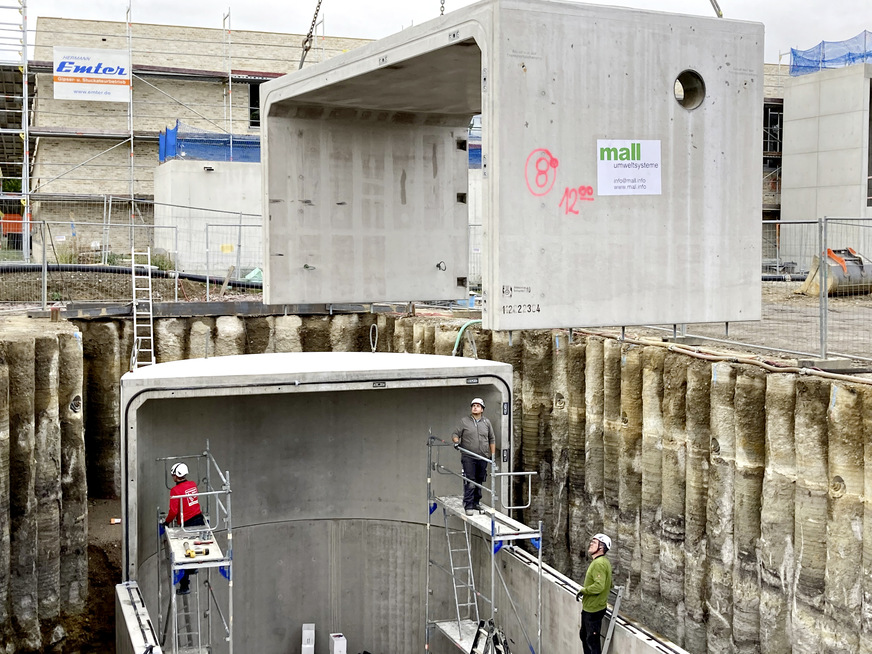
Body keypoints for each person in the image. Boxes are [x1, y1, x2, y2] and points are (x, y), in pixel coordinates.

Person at [163, 462, 205, 595]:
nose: (172, 476)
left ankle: (185, 586)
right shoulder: (192, 484)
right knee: (194, 546)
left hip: (187, 523)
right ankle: (193, 568)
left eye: (173, 474)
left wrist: (166, 522)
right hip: (199, 519)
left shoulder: (175, 491)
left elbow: (173, 511)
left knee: (183, 553)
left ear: (176, 475)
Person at [452, 397, 496, 516]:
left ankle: (476, 502)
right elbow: (455, 434)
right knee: (470, 481)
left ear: (482, 409)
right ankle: (468, 504)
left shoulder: (486, 423)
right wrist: (456, 441)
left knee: (479, 480)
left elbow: (492, 438)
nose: (475, 407)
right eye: (473, 406)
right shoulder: (464, 421)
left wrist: (492, 455)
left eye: (477, 406)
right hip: (469, 457)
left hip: (482, 457)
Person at [576, 533, 613, 654]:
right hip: (592, 608)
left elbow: (599, 586)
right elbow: (609, 584)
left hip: (593, 609)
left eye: (594, 543)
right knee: (585, 636)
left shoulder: (599, 564)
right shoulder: (602, 562)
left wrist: (583, 590)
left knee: (592, 640)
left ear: (601, 548)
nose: (591, 544)